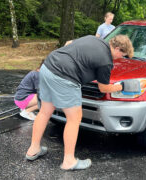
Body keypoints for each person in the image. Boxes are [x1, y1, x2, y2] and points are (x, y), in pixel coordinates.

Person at [25, 35, 139, 170]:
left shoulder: (93, 39)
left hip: (48, 67)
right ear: (118, 48)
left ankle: (33, 149)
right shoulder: (106, 61)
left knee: (44, 111)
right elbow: (103, 88)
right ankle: (69, 161)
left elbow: (68, 42)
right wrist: (122, 86)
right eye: (122, 55)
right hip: (65, 77)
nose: (121, 58)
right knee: (74, 118)